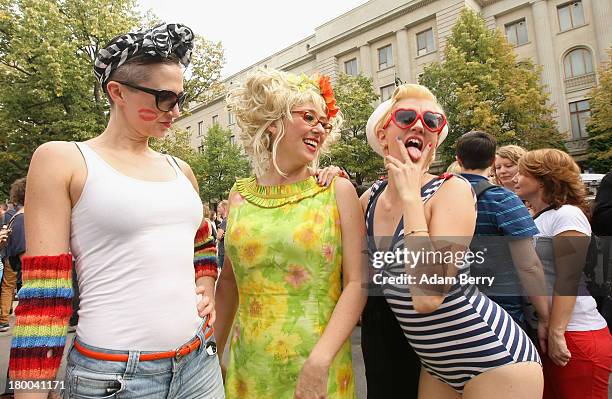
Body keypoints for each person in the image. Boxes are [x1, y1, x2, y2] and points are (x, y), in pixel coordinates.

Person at [8, 23, 224, 398]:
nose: (175, 111)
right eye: (164, 98)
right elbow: (43, 294)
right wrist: (31, 392)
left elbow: (201, 237)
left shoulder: (180, 169)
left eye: (179, 98)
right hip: (114, 377)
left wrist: (206, 280)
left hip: (198, 365)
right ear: (117, 92)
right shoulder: (63, 160)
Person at [362, 84, 542, 398]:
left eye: (432, 121)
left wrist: (411, 201)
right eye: (406, 117)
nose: (419, 124)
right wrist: (325, 174)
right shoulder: (369, 199)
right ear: (382, 134)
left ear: (433, 141)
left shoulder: (452, 190)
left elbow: (427, 297)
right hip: (437, 366)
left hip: (492, 358)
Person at [215, 68, 366, 398]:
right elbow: (228, 282)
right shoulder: (238, 196)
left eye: (324, 123)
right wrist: (212, 352)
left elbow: (357, 282)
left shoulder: (336, 191)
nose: (319, 129)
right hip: (248, 371)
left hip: (317, 369)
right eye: (308, 116)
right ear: (273, 122)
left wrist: (320, 361)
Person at [514, 149, 612, 399]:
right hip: (556, 332)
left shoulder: (567, 215)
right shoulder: (539, 218)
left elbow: (568, 278)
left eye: (523, 172)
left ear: (543, 179)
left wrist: (557, 331)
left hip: (575, 333)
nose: (515, 177)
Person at [456, 131, 549, 335]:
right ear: (492, 161)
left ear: (458, 159)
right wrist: (545, 316)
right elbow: (529, 266)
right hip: (502, 311)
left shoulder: (435, 196)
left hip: (452, 308)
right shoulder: (502, 199)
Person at [0, 178, 26, 333]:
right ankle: (3, 319)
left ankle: (4, 317)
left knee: (8, 287)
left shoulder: (17, 215)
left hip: (9, 257)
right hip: (13, 260)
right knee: (8, 287)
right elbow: (24, 254)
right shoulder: (21, 217)